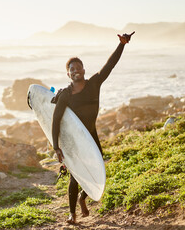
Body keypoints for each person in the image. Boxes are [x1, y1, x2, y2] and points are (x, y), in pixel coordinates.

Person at [51, 32, 134, 224]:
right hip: (74, 140)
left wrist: (121, 44)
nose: (76, 71)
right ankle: (72, 214)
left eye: (78, 67)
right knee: (75, 176)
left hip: (92, 136)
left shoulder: (94, 83)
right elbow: (55, 121)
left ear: (84, 70)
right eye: (72, 69)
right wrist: (56, 146)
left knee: (97, 173)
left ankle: (83, 197)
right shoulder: (65, 95)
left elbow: (110, 65)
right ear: (68, 74)